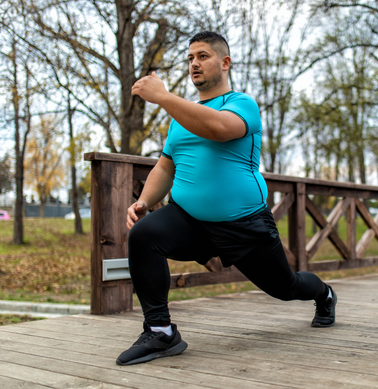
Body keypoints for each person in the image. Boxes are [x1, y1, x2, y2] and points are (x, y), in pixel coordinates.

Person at [116, 31, 337, 366]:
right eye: (190, 58)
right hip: (190, 219)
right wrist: (145, 201)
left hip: (243, 223)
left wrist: (163, 97)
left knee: (285, 287)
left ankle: (324, 293)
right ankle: (160, 331)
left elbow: (219, 129)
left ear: (225, 62)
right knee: (144, 236)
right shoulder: (180, 117)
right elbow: (165, 165)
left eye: (203, 56)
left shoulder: (240, 104)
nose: (194, 64)